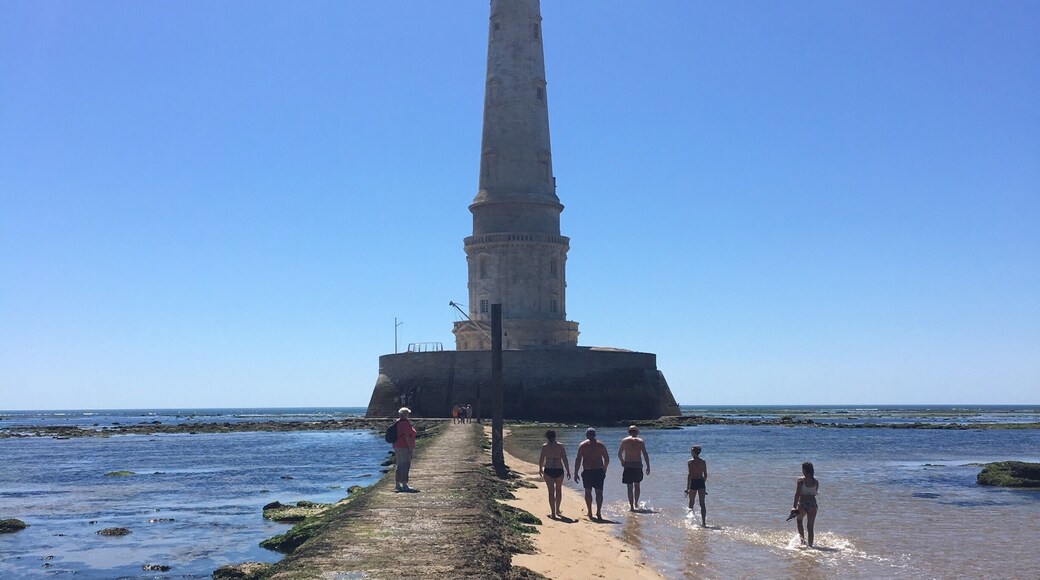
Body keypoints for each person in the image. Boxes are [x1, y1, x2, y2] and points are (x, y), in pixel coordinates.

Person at [573, 427, 609, 520]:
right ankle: (598, 512)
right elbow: (606, 458)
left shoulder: (583, 445)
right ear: (595, 435)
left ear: (586, 435)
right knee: (599, 492)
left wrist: (576, 473)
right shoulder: (600, 445)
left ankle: (590, 511)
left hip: (588, 471)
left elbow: (578, 460)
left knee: (588, 492)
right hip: (598, 471)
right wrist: (605, 468)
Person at [538, 430, 571, 519]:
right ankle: (557, 510)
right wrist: (568, 470)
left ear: (547, 437)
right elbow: (565, 459)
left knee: (551, 492)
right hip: (559, 469)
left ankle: (553, 513)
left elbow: (541, 459)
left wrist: (540, 469)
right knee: (559, 490)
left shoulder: (545, 446)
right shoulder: (560, 446)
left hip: (549, 469)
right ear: (555, 436)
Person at [617, 425, 651, 511]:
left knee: (629, 487)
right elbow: (645, 454)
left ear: (629, 432)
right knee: (637, 485)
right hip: (637, 465)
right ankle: (636, 503)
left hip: (628, 465)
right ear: (637, 432)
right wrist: (648, 466)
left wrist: (622, 461)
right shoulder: (640, 441)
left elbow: (619, 454)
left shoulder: (624, 441)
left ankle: (631, 507)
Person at [793, 461, 819, 546]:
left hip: (803, 503)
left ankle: (803, 542)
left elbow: (797, 494)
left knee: (799, 520)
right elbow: (815, 493)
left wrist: (794, 506)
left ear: (804, 470)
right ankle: (811, 545)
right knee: (810, 527)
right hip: (813, 504)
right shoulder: (816, 482)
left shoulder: (801, 481)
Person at [393, 407, 418, 492]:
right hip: (404, 446)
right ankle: (404, 484)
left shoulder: (397, 422)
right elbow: (407, 436)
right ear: (406, 414)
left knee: (399, 465)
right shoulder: (405, 424)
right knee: (405, 465)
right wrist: (410, 448)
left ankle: (397, 484)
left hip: (396, 445)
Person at [685, 445, 707, 526]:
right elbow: (705, 475)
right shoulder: (703, 462)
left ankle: (690, 521)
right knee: (702, 503)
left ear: (693, 452)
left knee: (691, 502)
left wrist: (687, 488)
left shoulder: (690, 462)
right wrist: (703, 484)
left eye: (691, 451)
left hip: (693, 482)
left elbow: (690, 475)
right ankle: (704, 522)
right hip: (701, 482)